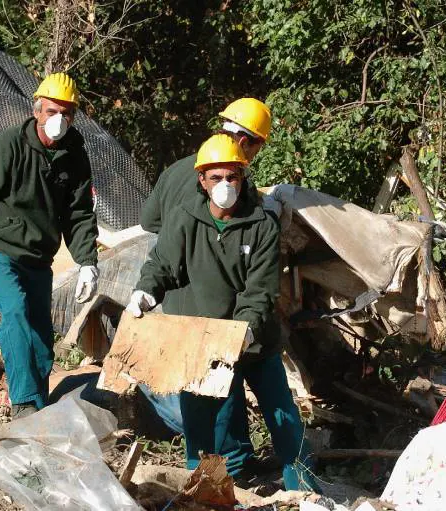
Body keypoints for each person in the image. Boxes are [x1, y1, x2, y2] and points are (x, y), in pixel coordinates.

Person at [126, 134, 318, 491]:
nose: (225, 185)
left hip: (254, 340)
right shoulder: (186, 218)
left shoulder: (260, 224)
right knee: (203, 420)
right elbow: (163, 263)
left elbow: (260, 289)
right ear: (201, 179)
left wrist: (244, 330)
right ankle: (204, 489)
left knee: (282, 415)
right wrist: (144, 292)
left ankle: (305, 487)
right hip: (204, 341)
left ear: (243, 177)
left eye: (232, 177)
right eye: (216, 178)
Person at [0, 72, 99, 419]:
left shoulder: (74, 155)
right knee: (16, 314)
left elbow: (78, 212)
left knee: (40, 338)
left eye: (66, 113)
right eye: (52, 111)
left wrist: (87, 261)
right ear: (37, 111)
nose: (58, 120)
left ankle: (39, 404)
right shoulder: (10, 146)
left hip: (39, 256)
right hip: (0, 249)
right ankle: (22, 403)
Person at [139, 98, 273, 233]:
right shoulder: (239, 183)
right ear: (243, 143)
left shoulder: (173, 170)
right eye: (256, 151)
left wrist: (173, 237)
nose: (252, 158)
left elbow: (148, 221)